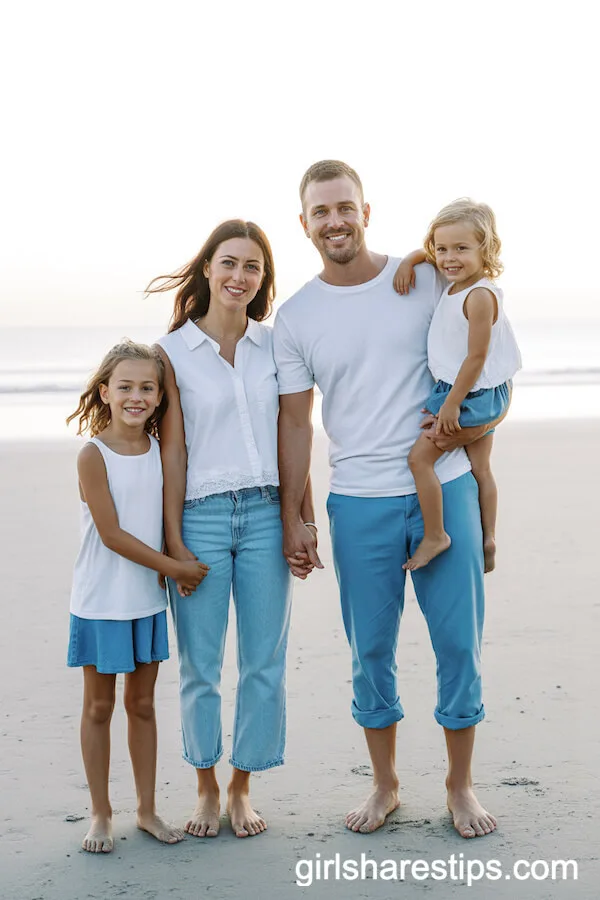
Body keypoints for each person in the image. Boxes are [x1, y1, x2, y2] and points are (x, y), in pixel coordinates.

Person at [274, 160, 501, 839]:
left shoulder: (428, 277)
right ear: (306, 224)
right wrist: (297, 512)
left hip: (446, 488)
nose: (335, 220)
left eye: (345, 206)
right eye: (322, 211)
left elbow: (487, 345)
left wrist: (484, 422)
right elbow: (294, 422)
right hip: (359, 502)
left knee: (458, 647)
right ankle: (386, 784)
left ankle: (460, 786)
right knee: (369, 652)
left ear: (366, 211)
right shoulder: (296, 317)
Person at [147, 220, 316, 839]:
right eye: (229, 263)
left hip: (270, 512)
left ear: (262, 279)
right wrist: (173, 541)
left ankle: (242, 786)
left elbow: (293, 434)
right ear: (207, 270)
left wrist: (302, 517)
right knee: (200, 664)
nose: (240, 276)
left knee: (263, 661)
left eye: (252, 267)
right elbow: (172, 453)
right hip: (201, 517)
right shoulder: (169, 353)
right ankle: (205, 787)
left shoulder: (277, 346)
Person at [66, 340, 208, 853]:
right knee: (100, 707)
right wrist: (177, 570)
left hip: (147, 604)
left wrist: (172, 569)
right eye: (125, 386)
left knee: (143, 705)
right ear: (104, 392)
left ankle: (146, 809)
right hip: (101, 602)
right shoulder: (92, 454)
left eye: (147, 387)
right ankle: (101, 813)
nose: (136, 396)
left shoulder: (158, 449)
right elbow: (113, 534)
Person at [393, 199, 522, 572]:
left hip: (471, 391)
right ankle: (488, 538)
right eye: (442, 248)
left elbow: (476, 357)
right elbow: (430, 250)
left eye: (462, 249)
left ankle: (436, 535)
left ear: (486, 249)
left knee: (419, 460)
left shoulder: (479, 296)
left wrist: (451, 404)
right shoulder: (456, 278)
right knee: (481, 467)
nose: (448, 258)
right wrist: (409, 260)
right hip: (479, 388)